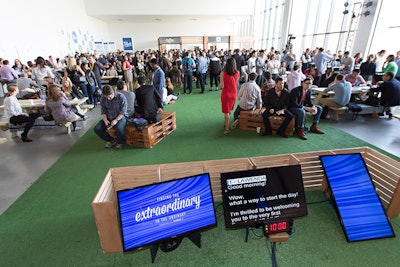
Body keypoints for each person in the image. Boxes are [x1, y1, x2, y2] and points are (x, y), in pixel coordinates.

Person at [93, 85, 127, 150]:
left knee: (119, 129)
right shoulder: (103, 97)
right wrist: (105, 120)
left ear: (112, 93)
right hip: (108, 117)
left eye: (109, 97)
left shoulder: (121, 97)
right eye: (106, 97)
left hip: (120, 117)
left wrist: (116, 120)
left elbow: (123, 111)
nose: (108, 99)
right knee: (97, 129)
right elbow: (103, 111)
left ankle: (120, 142)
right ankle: (111, 140)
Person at [220, 57, 240, 135]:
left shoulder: (223, 73)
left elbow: (222, 86)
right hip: (234, 93)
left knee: (226, 112)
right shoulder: (238, 73)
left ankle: (227, 129)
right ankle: (226, 123)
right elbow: (235, 83)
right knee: (229, 110)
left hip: (226, 94)